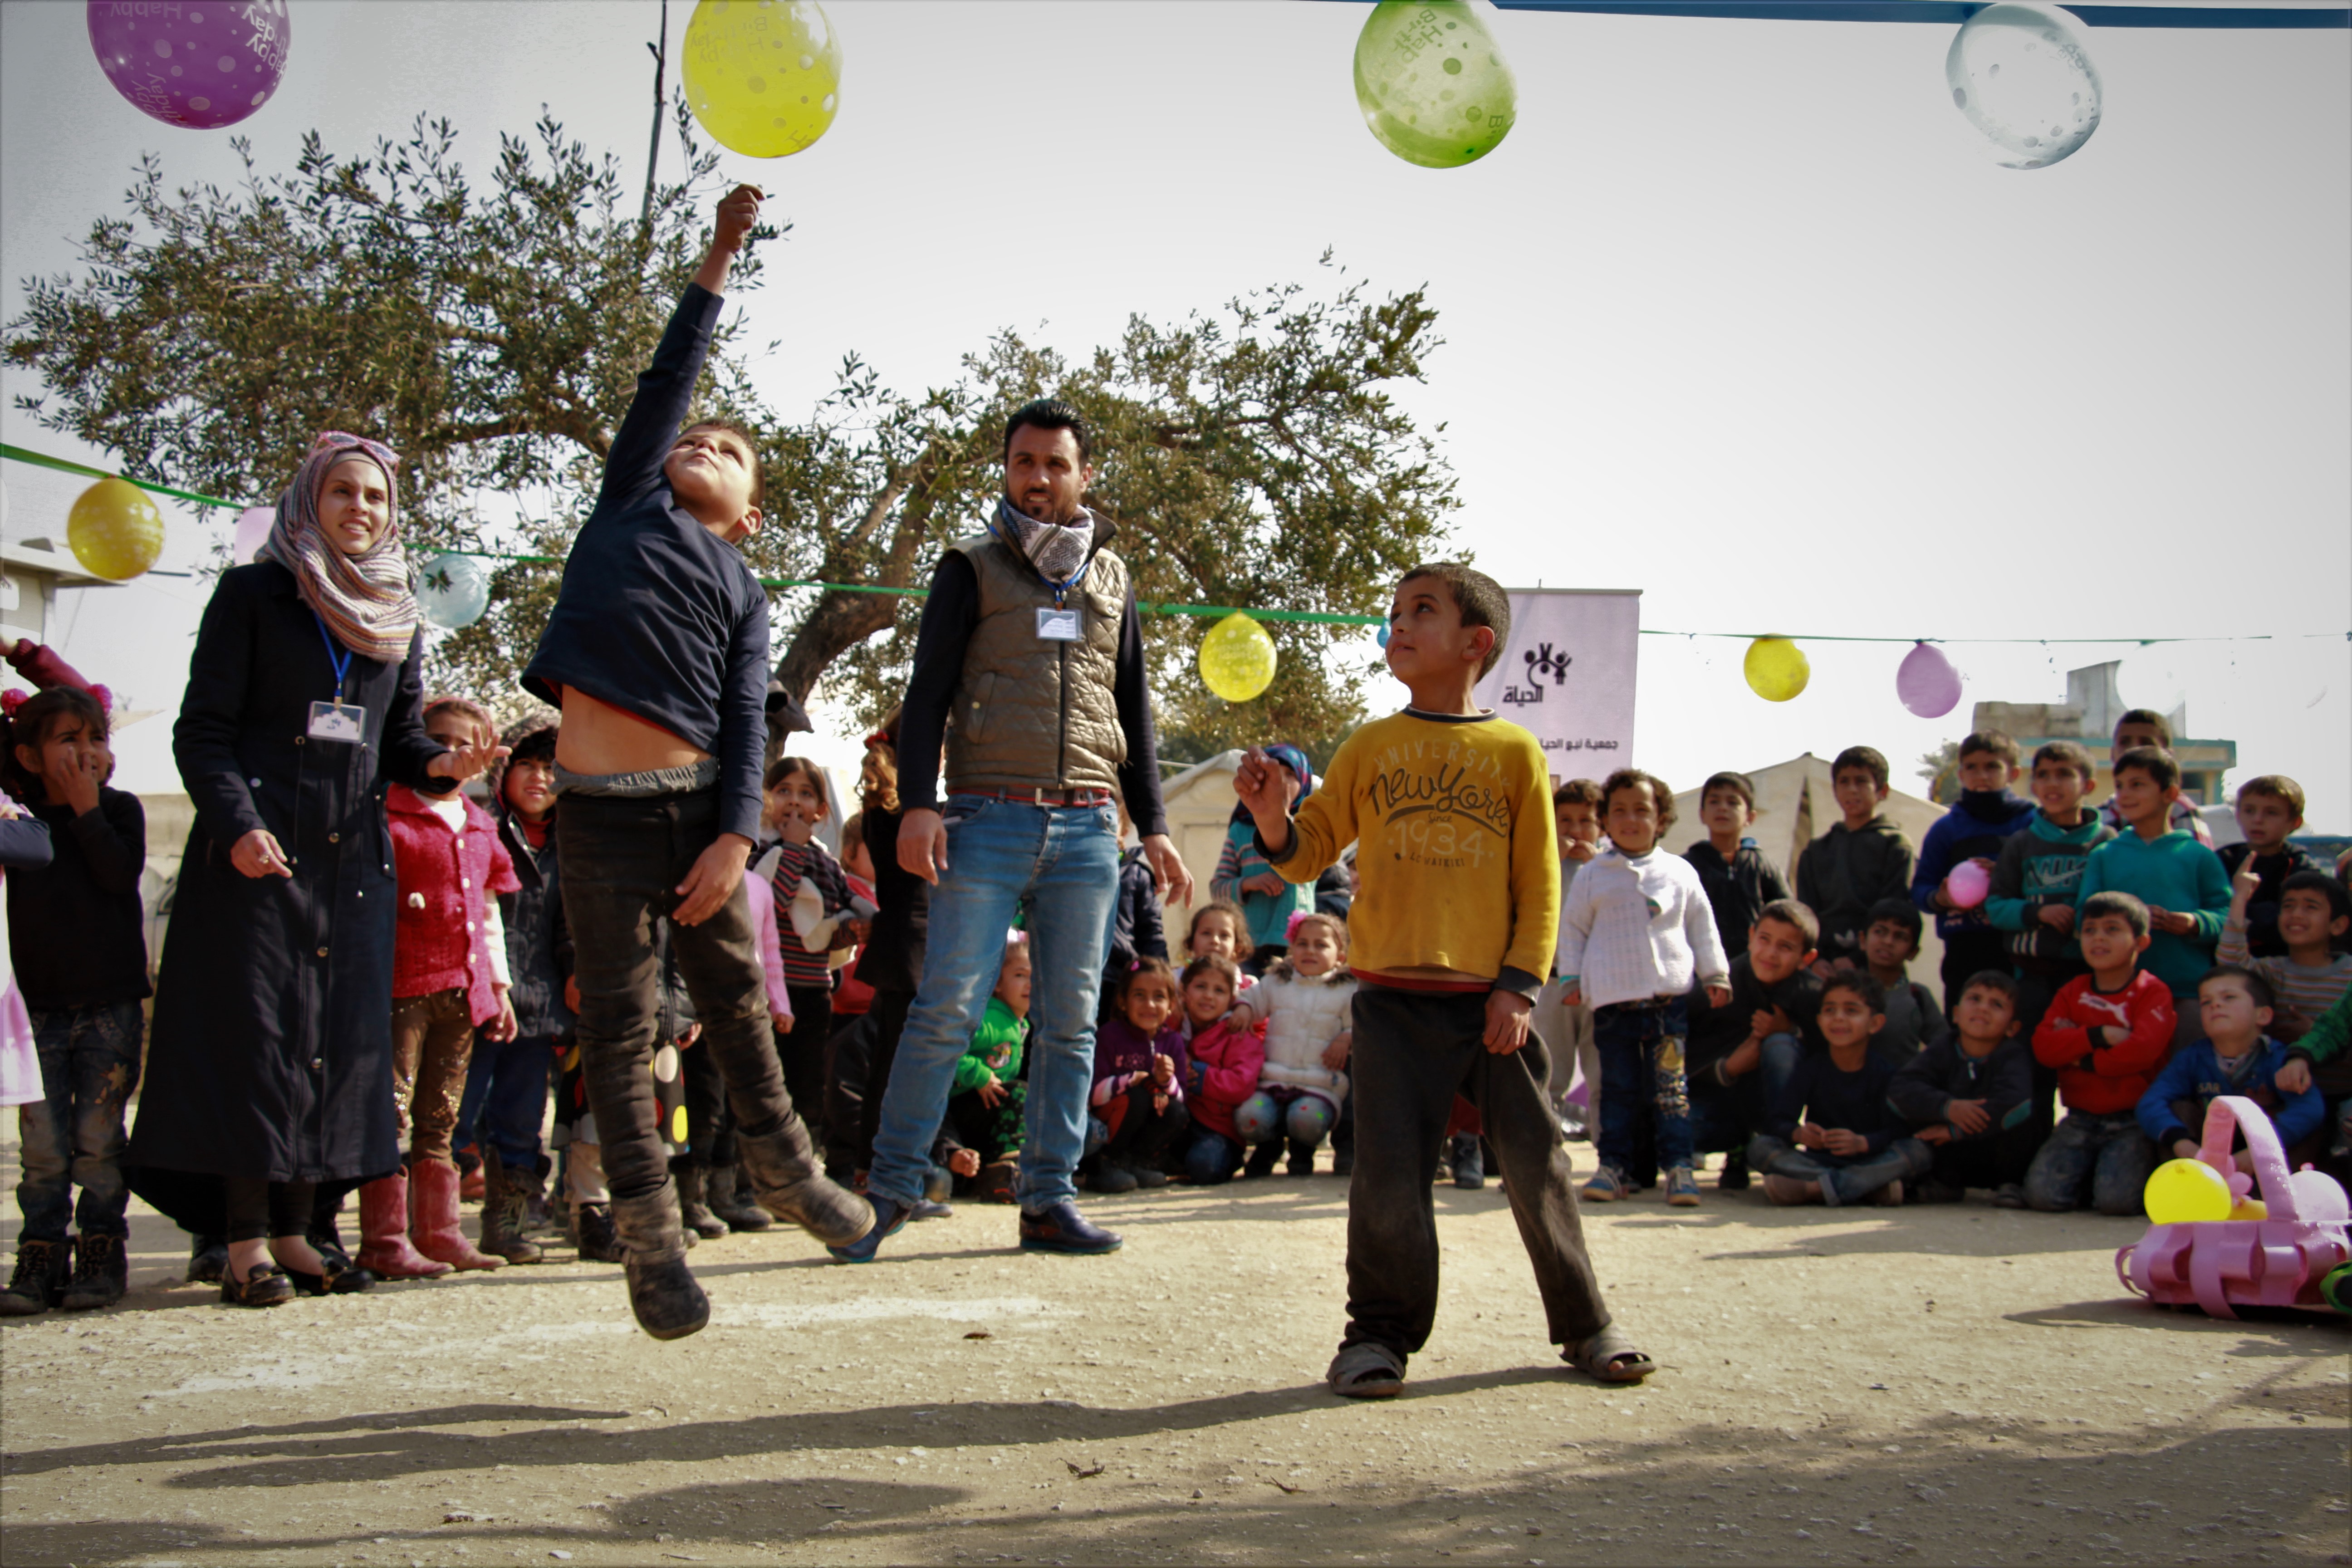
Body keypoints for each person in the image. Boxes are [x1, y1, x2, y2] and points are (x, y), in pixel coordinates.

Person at [519, 186, 868, 1335]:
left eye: (726, 451)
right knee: (618, 1031)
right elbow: (665, 379)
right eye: (693, 438)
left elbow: (745, 719)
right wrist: (719, 254)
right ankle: (648, 1241)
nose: (699, 444)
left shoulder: (745, 589)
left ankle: (786, 1169)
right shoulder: (625, 505)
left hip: (699, 820)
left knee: (735, 1008)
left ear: (751, 513)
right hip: (598, 820)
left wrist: (735, 838)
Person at [1237, 560, 1645, 1395]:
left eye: (1421, 611)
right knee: (1386, 1175)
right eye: (1393, 612)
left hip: (1491, 1006)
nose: (1399, 625)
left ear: (1475, 643)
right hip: (1388, 1001)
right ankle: (1375, 1338)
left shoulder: (1513, 751)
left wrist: (1518, 987)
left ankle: (1586, 1325)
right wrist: (1273, 816)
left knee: (1537, 1168)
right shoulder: (1370, 744)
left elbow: (1539, 883)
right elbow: (1309, 850)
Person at [129, 431, 497, 1308]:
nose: (359, 510)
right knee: (257, 1044)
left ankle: (299, 1229)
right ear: (309, 500)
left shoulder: (392, 613)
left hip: (350, 870)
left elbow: (399, 742)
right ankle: (242, 1240)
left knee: (334, 1050)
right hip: (258, 859)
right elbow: (202, 731)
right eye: (342, 492)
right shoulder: (255, 592)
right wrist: (237, 826)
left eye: (374, 497)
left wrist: (439, 766)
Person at [848, 397, 1193, 1263]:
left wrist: (1152, 824)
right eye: (1022, 463)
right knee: (946, 1010)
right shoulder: (969, 565)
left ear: (1083, 475)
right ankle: (887, 1191)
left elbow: (1133, 714)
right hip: (984, 816)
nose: (1037, 478)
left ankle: (1046, 1199)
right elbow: (926, 691)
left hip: (1086, 831)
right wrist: (918, 802)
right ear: (1006, 471)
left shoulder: (1111, 579)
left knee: (1072, 1023)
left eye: (1054, 463)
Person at [360, 696, 522, 1278]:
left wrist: (499, 988)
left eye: (466, 743)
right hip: (402, 990)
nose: (452, 754)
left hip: (463, 992)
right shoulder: (388, 815)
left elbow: (487, 909)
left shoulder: (480, 825)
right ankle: (383, 1239)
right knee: (392, 1111)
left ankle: (440, 1233)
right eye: (440, 741)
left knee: (442, 1115)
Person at [0, 686, 147, 1313]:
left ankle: (101, 1249)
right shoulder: (18, 824)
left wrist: (87, 809)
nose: (86, 752)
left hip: (109, 1006)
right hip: (35, 1012)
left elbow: (118, 876)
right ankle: (38, 1255)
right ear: (29, 758)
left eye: (96, 739)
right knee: (42, 1148)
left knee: (99, 1139)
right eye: (68, 740)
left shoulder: (119, 810)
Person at [1563, 769, 1731, 1208]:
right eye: (1618, 811)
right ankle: (1612, 1168)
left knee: (1670, 1090)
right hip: (1612, 1006)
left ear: (1662, 819)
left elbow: (1702, 926)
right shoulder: (1593, 875)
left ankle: (1679, 1169)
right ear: (1605, 820)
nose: (1630, 819)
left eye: (1642, 810)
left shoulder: (1680, 872)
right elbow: (1574, 930)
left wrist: (1716, 975)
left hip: (1667, 1005)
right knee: (1616, 1089)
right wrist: (1571, 979)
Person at [457, 715, 571, 1263]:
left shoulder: (572, 846)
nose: (538, 778)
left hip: (540, 1006)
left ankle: (507, 1224)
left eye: (552, 768)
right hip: (476, 1002)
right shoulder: (478, 831)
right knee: (451, 1116)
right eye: (526, 764)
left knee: (521, 1119)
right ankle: (425, 1222)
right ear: (502, 769)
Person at [2023, 892, 2173, 1215]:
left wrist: (2080, 1056)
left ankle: (2106, 1176)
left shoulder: (2152, 992)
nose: (2099, 938)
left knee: (2116, 1204)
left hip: (2132, 1120)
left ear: (2141, 942)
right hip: (2079, 1118)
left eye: (2112, 929)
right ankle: (2091, 1175)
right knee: (2042, 1197)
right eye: (2090, 930)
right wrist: (2099, 1035)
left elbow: (2141, 1052)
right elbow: (2044, 1048)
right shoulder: (2073, 991)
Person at [2075, 746, 2230, 1044]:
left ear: (2170, 793)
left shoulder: (2199, 856)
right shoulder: (2104, 855)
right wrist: (2118, 923)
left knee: (2185, 1080)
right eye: (2120, 786)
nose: (2124, 794)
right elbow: (2084, 915)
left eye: (2137, 785)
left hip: (2185, 992)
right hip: (2117, 995)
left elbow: (2227, 916)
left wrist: (2193, 923)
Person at [1749, 972, 1930, 1207]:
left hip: (1870, 1160)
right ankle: (1865, 1188)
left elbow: (1897, 1130)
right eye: (1830, 1010)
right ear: (1819, 1020)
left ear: (1875, 1023)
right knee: (1760, 1148)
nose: (1838, 1019)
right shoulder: (1812, 1069)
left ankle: (1818, 1188)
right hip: (1817, 1161)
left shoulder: (1885, 1073)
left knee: (1919, 1151)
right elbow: (1778, 1121)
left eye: (1851, 1011)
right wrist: (1800, 1134)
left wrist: (1863, 1143)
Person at [1682, 898, 1822, 1192]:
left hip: (1775, 1107)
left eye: (1785, 947)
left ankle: (1777, 1145)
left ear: (1806, 958)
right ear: (1751, 936)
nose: (1770, 954)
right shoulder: (1718, 988)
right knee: (1674, 1131)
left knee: (1781, 1045)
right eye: (1765, 940)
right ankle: (1740, 1149)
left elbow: (1832, 1058)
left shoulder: (1814, 996)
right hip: (1718, 1104)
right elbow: (1678, 1055)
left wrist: (1792, 1032)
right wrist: (1726, 1069)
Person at [847, 712, 930, 1185]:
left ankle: (872, 1168)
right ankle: (885, 1172)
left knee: (889, 1065)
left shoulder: (881, 809)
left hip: (901, 940)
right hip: (911, 946)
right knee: (901, 1068)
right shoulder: (908, 811)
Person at [2136, 966, 2324, 1169]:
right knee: (2178, 1111)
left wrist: (2259, 1152)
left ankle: (2279, 1199)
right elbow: (2151, 1101)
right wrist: (2180, 1142)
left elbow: (2310, 1108)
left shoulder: (2278, 1058)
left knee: (2306, 1128)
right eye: (2206, 1002)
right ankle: (2184, 1195)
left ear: (2263, 1016)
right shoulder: (2192, 1058)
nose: (2215, 1005)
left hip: (2265, 1161)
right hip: (2208, 1158)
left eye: (2229, 997)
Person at [761, 757, 863, 1124]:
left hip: (813, 989)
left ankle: (804, 1160)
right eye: (783, 791)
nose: (793, 801)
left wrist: (849, 933)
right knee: (765, 1082)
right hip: (770, 989)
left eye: (805, 794)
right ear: (765, 799)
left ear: (820, 810)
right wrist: (791, 848)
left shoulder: (828, 864)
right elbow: (772, 905)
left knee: (807, 1082)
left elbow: (827, 928)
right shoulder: (760, 852)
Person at [1912, 730, 2035, 1011]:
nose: (1982, 775)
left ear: (2013, 773)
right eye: (1972, 767)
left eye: (1992, 766)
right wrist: (1941, 898)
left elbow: (2044, 882)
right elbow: (1921, 888)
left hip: (2019, 947)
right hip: (1963, 948)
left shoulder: (2031, 823)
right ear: (1961, 774)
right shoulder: (1946, 829)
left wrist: (2006, 875)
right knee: (1963, 1027)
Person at [1889, 971, 2035, 1206]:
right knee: (1910, 1107)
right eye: (1975, 999)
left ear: (2012, 1028)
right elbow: (1901, 1088)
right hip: (1948, 1151)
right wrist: (1947, 1107)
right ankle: (1945, 1184)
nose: (1983, 1009)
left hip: (1994, 1153)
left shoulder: (2012, 1056)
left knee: (2020, 1114)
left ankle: (2011, 1185)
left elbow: (2015, 1102)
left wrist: (1958, 1131)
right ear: (1956, 1014)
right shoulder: (1944, 1047)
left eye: (1996, 1005)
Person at [1232, 911, 1357, 1177]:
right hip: (1273, 1082)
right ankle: (1269, 1146)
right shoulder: (1277, 983)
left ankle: (1303, 1152)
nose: (1310, 951)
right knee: (1249, 1117)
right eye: (1302, 943)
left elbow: (1359, 1024)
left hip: (1319, 1086)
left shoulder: (1346, 991)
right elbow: (1252, 999)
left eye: (1321, 945)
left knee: (1307, 1120)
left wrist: (1347, 1037)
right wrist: (1244, 1007)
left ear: (1341, 956)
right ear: (1292, 950)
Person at [1794, 746, 1916, 971]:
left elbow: (1894, 910)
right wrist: (1817, 959)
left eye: (1861, 782)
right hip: (1822, 964)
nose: (1852, 790)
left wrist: (1857, 959)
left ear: (1883, 791)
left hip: (1875, 964)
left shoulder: (1896, 845)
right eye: (1844, 782)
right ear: (1834, 790)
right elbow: (1806, 912)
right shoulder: (1816, 850)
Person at [941, 933, 1032, 1205]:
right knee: (1019, 1093)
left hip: (985, 1110)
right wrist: (979, 1075)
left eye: (1035, 977)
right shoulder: (991, 1019)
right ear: (997, 985)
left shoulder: (1020, 1024)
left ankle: (990, 1170)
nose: (1030, 984)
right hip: (958, 1110)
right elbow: (948, 1049)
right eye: (1020, 975)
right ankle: (1000, 1174)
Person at [1085, 958, 1190, 1193]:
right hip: (1110, 1122)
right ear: (1123, 1002)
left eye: (1159, 997)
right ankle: (1105, 1164)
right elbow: (1093, 1096)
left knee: (1176, 1110)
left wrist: (1166, 1082)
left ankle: (1138, 1162)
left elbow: (1182, 1099)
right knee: (1138, 1098)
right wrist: (1133, 1080)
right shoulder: (1109, 1036)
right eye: (1139, 995)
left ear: (1171, 1004)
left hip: (1144, 1125)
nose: (1149, 1004)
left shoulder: (1172, 1042)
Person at [1538, 779, 1606, 1139]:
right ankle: (1542, 1159)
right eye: (1565, 820)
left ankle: (1610, 1157)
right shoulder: (1540, 865)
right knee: (1548, 1075)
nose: (1576, 830)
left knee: (1603, 1077)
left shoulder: (1611, 868)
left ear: (1601, 827)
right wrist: (1553, 861)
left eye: (1586, 821)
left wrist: (1600, 868)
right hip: (1551, 982)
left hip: (1600, 990)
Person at [1214, 744, 1318, 975]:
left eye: (1291, 774)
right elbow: (1217, 887)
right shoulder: (1240, 831)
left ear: (1305, 783)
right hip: (1251, 945)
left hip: (1300, 947)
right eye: (1275, 774)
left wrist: (1285, 823)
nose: (1282, 781)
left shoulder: (1312, 828)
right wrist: (1249, 884)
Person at [1683, 770, 1792, 963]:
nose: (1723, 808)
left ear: (1750, 817)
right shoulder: (1686, 867)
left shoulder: (1763, 866)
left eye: (1733, 803)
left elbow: (1788, 914)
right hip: (1700, 969)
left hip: (1754, 967)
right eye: (1714, 802)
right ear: (1702, 814)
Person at [1177, 954, 1267, 1185]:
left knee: (1204, 1168)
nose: (1208, 995)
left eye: (1219, 991)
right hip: (1180, 1121)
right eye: (1200, 987)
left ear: (1231, 999)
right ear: (1185, 992)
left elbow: (1242, 1084)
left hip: (1218, 1127)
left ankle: (1229, 1158)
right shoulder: (1176, 1027)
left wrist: (1200, 1075)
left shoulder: (1236, 1033)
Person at [2215, 776, 2326, 959]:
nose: (2258, 820)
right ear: (2238, 815)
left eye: (2271, 813)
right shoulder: (2223, 860)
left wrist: (2244, 907)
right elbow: (2216, 914)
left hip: (2284, 963)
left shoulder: (2302, 867)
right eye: (2249, 811)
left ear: (2295, 823)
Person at [2097, 710, 2213, 845]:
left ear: (2168, 757)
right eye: (2125, 742)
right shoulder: (2102, 815)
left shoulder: (2180, 811)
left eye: (2146, 743)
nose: (2134, 750)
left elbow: (2196, 862)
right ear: (2112, 754)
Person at [1859, 899, 1942, 1064]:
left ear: (1913, 952)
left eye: (1900, 937)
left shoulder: (1918, 997)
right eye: (1880, 932)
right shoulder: (1844, 990)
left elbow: (1944, 1050)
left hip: (1903, 1087)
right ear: (1863, 940)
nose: (1888, 942)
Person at [1104, 802, 1170, 998]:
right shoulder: (1068, 872)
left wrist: (1162, 976)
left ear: (1123, 832)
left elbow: (1150, 931)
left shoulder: (1136, 874)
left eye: (1109, 822)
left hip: (1119, 977)